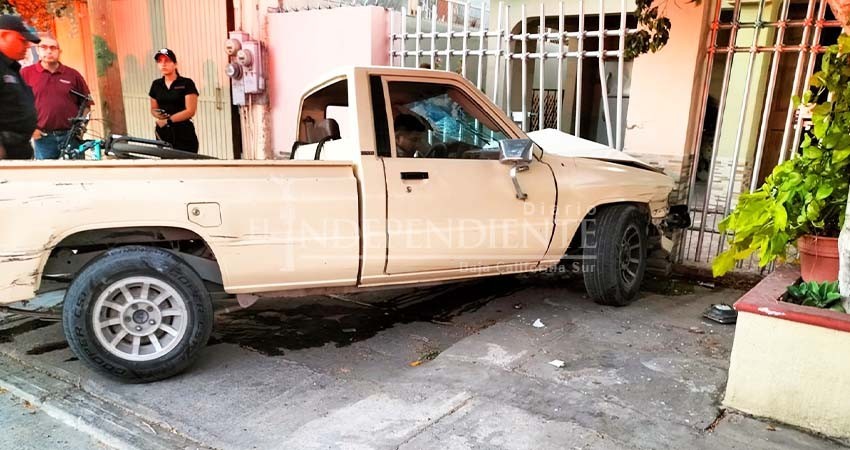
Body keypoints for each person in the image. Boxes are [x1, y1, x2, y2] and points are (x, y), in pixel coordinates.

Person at [21, 33, 92, 160]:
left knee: (78, 176)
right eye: (44, 47)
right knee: (48, 177)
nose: (49, 51)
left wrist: (81, 127)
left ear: (59, 51)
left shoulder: (72, 75)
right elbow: (17, 105)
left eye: (53, 48)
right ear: (38, 50)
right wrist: (30, 128)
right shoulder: (26, 74)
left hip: (71, 136)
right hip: (43, 139)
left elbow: (86, 104)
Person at [0, 15, 40, 160]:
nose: (28, 46)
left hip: (19, 149)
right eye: (22, 40)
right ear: (3, 36)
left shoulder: (11, 68)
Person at [148, 48, 199, 152]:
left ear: (175, 64)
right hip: (164, 132)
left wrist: (168, 120)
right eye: (160, 61)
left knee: (186, 162)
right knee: (167, 164)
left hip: (184, 132)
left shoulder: (186, 83)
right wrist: (158, 115)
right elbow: (153, 108)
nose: (163, 64)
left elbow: (190, 111)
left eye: (167, 61)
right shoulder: (156, 84)